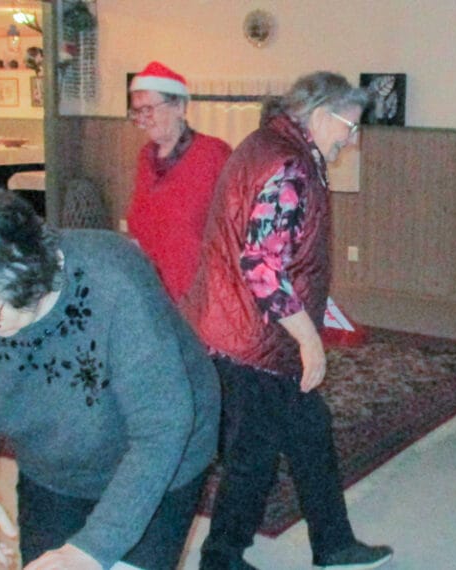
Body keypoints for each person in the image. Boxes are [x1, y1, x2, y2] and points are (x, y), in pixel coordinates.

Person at [0, 186, 221, 570]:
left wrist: (91, 549)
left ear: (26, 277)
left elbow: (162, 429)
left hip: (160, 460)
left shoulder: (114, 281)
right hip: (55, 468)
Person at [180, 72, 393, 570]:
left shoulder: (267, 144)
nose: (352, 139)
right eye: (349, 127)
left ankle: (333, 544)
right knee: (253, 457)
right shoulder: (289, 165)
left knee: (309, 431)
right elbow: (261, 267)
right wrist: (309, 340)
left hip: (242, 326)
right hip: (253, 339)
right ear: (319, 115)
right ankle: (221, 559)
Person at [127, 61, 232, 302]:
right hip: (152, 294)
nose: (143, 120)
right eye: (137, 112)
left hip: (201, 298)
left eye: (149, 109)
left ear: (179, 107)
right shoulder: (145, 157)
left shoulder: (214, 154)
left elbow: (236, 228)